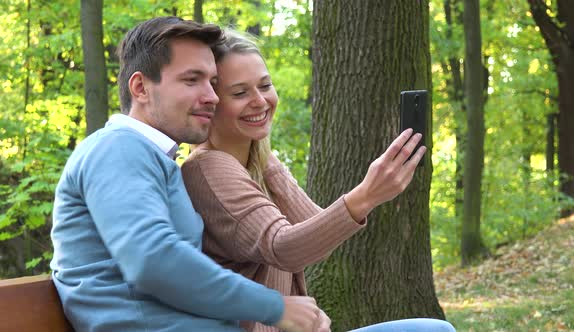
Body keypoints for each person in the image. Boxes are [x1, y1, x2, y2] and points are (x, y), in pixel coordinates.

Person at [50, 17, 326, 332]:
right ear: (141, 88)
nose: (212, 96)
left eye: (211, 81)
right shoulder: (118, 148)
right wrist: (274, 307)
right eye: (192, 80)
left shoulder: (156, 161)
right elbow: (153, 260)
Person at [181, 30, 456, 332]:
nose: (260, 101)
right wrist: (367, 195)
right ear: (212, 102)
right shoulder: (208, 168)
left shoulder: (254, 162)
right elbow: (284, 247)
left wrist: (267, 162)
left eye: (265, 86)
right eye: (240, 93)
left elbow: (315, 236)